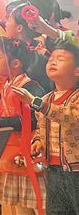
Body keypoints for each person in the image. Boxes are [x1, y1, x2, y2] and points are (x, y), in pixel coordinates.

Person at [0, 37, 46, 214]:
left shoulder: (30, 87)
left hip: (26, 154)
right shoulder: (6, 85)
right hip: (10, 154)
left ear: (15, 63)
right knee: (19, 208)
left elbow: (34, 119)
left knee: (38, 206)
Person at [15, 42, 79, 215]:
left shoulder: (74, 98)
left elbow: (71, 117)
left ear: (77, 71)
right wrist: (38, 141)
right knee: (57, 211)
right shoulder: (46, 98)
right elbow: (41, 127)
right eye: (51, 58)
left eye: (61, 59)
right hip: (53, 169)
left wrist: (36, 103)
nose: (53, 62)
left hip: (76, 170)